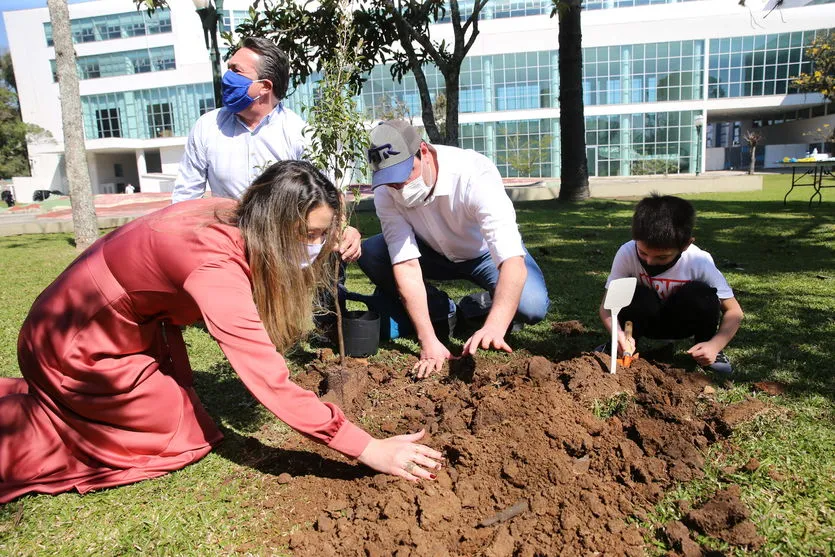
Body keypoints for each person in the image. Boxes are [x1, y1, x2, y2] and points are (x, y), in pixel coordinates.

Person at [0, 161, 443, 504]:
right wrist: (367, 448)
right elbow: (269, 380)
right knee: (182, 437)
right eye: (311, 234)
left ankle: (71, 408)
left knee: (182, 416)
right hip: (73, 345)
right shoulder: (215, 270)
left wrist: (337, 231)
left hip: (111, 327)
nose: (318, 245)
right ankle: (36, 427)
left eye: (323, 233)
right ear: (277, 224)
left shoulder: (240, 214)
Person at [358, 120, 550, 378]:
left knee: (532, 305)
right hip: (429, 253)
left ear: (423, 152)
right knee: (371, 253)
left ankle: (479, 308)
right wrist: (427, 341)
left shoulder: (473, 174)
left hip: (483, 255)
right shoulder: (385, 193)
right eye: (392, 182)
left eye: (406, 174)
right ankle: (442, 309)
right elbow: (406, 264)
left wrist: (495, 326)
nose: (400, 188)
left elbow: (511, 260)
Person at [172, 36, 360, 267]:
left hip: (285, 254)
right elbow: (185, 199)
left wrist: (343, 228)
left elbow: (328, 195)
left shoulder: (299, 133)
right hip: (229, 252)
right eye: (228, 68)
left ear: (265, 86)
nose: (227, 76)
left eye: (236, 71)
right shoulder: (207, 127)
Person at [598, 194, 743, 374]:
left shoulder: (699, 261)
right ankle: (620, 347)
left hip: (681, 323)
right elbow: (607, 308)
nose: (649, 262)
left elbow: (734, 311)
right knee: (635, 293)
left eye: (661, 257)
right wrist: (617, 334)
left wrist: (715, 344)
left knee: (702, 294)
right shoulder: (627, 253)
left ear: (686, 245)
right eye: (643, 253)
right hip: (644, 323)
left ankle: (707, 350)